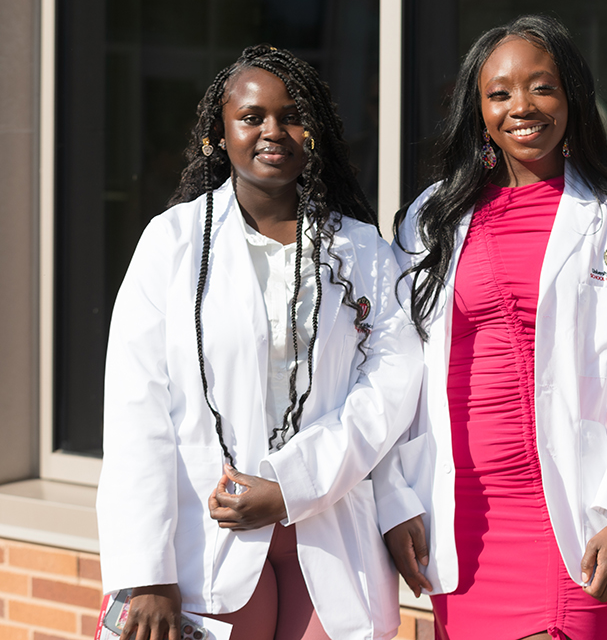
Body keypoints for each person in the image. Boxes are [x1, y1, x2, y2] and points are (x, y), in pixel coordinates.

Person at [372, 14, 607, 640]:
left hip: (575, 513)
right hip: (463, 514)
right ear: (478, 109)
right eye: (500, 93)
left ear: (571, 95)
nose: (523, 106)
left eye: (542, 87)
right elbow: (391, 373)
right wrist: (393, 500)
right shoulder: (430, 218)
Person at [96, 44, 421, 640]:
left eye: (292, 115)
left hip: (329, 521)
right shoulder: (171, 244)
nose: (274, 131)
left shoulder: (365, 252)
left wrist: (293, 486)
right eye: (252, 117)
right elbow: (135, 411)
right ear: (219, 134)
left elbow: (393, 386)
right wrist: (147, 572)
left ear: (315, 132)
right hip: (204, 535)